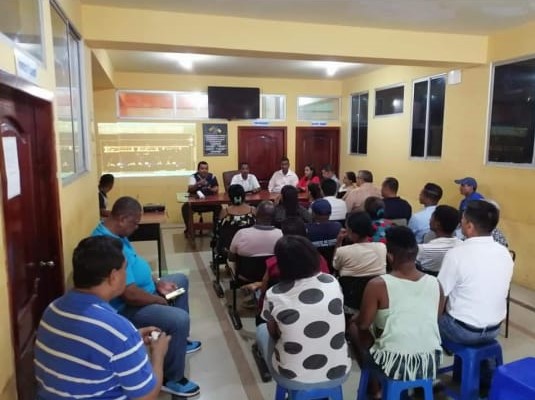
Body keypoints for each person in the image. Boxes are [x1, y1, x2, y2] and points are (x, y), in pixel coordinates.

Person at [35, 236, 171, 400]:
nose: (127, 275)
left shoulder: (52, 309)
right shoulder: (118, 330)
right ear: (113, 277)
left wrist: (132, 340)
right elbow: (147, 397)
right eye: (125, 269)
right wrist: (158, 354)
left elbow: (86, 349)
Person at [92, 196, 201, 397]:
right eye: (134, 223)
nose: (137, 228)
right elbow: (130, 295)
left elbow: (136, 263)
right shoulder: (107, 245)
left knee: (180, 280)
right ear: (122, 219)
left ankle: (179, 342)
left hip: (145, 292)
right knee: (179, 318)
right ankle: (172, 378)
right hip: (128, 307)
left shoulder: (118, 234)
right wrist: (160, 300)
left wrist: (158, 282)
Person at [349, 227, 444, 398]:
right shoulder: (435, 283)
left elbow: (363, 325)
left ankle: (375, 389)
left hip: (395, 364)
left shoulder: (378, 284)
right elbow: (434, 320)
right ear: (416, 253)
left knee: (355, 328)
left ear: (390, 256)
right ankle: (420, 386)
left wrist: (358, 320)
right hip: (430, 362)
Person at [257, 235, 351, 390]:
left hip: (293, 378)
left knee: (262, 329)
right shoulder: (332, 282)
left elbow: (273, 332)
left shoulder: (274, 294)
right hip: (339, 372)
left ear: (281, 264)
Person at [438, 200, 514, 345]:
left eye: (462, 220)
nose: (460, 223)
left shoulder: (457, 254)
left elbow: (440, 295)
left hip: (462, 331)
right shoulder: (504, 253)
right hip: (494, 330)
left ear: (469, 226)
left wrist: (432, 324)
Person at [333, 211, 386, 278]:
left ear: (351, 231)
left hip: (349, 284)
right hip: (377, 284)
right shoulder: (381, 247)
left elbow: (335, 266)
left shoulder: (342, 251)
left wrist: (339, 242)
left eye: (347, 228)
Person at [214, 184, 256, 259]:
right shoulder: (252, 210)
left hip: (228, 249)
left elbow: (218, 230)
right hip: (251, 248)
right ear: (244, 196)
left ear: (230, 197)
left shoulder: (225, 212)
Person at [416, 205, 461, 275]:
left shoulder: (423, 250)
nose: (429, 220)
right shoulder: (463, 245)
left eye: (431, 217)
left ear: (437, 224)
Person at [181, 161, 221, 235]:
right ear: (198, 169)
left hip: (209, 203)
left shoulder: (212, 176)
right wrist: (198, 183)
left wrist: (210, 188)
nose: (204, 170)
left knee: (219, 207)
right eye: (202, 168)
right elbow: (190, 189)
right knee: (185, 208)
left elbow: (216, 188)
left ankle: (216, 228)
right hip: (196, 204)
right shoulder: (193, 177)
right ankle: (189, 229)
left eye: (206, 168)